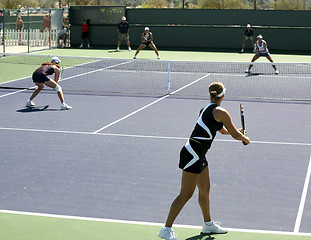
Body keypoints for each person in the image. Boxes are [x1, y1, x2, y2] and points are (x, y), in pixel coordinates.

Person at [158, 81, 250, 240]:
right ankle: (166, 229)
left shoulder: (205, 109)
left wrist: (239, 133)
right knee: (186, 194)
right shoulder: (221, 112)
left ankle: (208, 224)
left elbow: (223, 131)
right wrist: (245, 138)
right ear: (224, 95)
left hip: (198, 154)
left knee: (205, 189)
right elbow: (235, 135)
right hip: (193, 154)